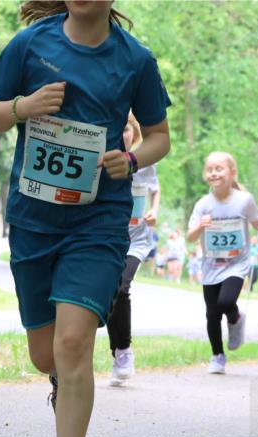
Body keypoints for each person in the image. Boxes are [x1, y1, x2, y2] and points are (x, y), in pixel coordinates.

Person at [0, 0, 170, 437]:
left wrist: (130, 159)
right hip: (34, 221)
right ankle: (67, 384)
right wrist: (24, 106)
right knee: (47, 357)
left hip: (99, 220)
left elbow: (159, 137)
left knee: (72, 343)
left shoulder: (136, 60)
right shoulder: (32, 44)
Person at [187, 151, 258, 374]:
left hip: (237, 264)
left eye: (219, 168)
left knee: (226, 301)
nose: (214, 173)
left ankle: (235, 317)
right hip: (211, 265)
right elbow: (190, 238)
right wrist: (201, 226)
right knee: (212, 313)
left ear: (232, 172)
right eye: (209, 169)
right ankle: (217, 356)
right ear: (204, 174)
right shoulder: (203, 204)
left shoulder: (244, 201)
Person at [107, 113, 161, 387]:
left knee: (121, 287)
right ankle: (117, 352)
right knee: (108, 294)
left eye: (126, 128)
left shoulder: (143, 161)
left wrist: (153, 211)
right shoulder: (103, 161)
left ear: (134, 132)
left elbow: (155, 190)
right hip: (108, 239)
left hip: (137, 240)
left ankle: (124, 351)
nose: (122, 133)